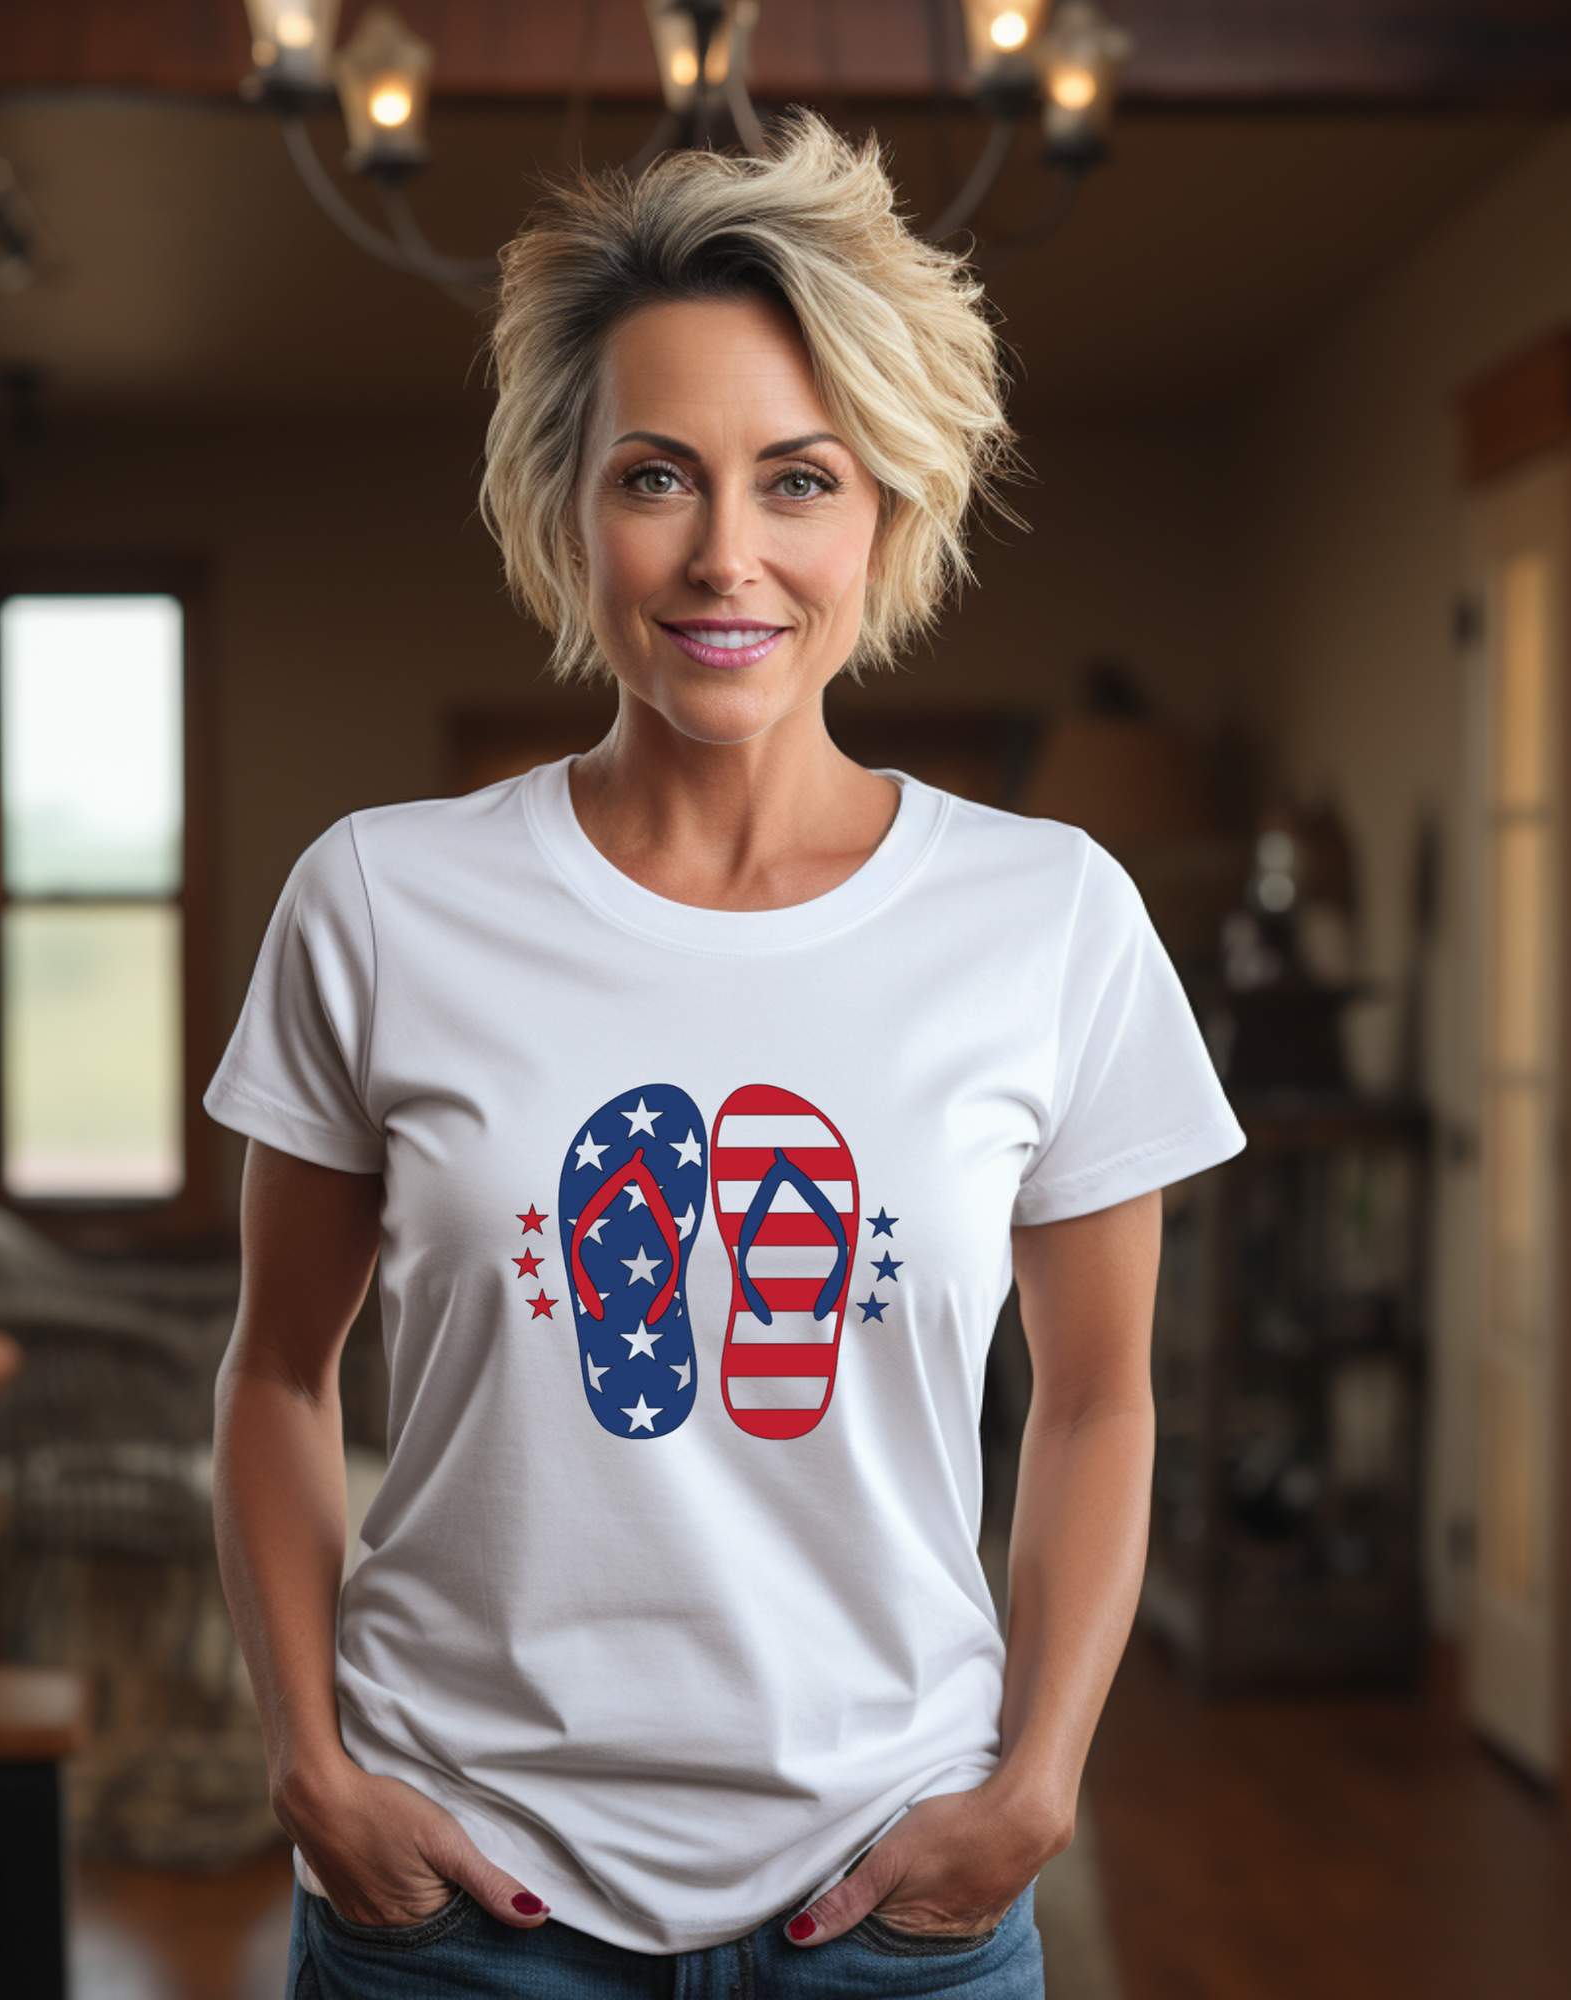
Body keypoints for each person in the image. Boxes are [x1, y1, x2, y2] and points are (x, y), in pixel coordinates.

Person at [208, 112, 1243, 1999]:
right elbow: (281, 1367)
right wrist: (309, 1768)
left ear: (889, 513)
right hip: (458, 1901)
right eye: (657, 476)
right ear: (562, 503)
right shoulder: (380, 902)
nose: (724, 558)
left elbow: (1099, 1401)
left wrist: (1037, 1784)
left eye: (800, 480)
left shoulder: (1049, 916)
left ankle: (719, 1268)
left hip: (894, 1894)